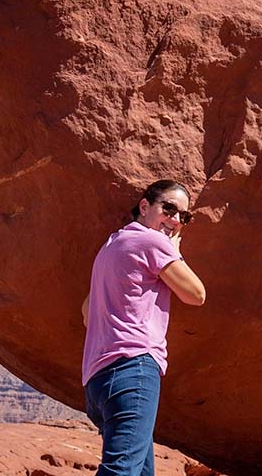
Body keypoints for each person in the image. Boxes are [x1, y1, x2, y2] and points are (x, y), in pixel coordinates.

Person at [82, 179, 207, 475]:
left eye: (184, 217)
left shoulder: (112, 245)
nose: (175, 220)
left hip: (97, 381)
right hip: (132, 370)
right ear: (144, 206)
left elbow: (87, 311)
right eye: (169, 208)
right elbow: (196, 294)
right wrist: (171, 249)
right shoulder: (151, 242)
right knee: (122, 471)